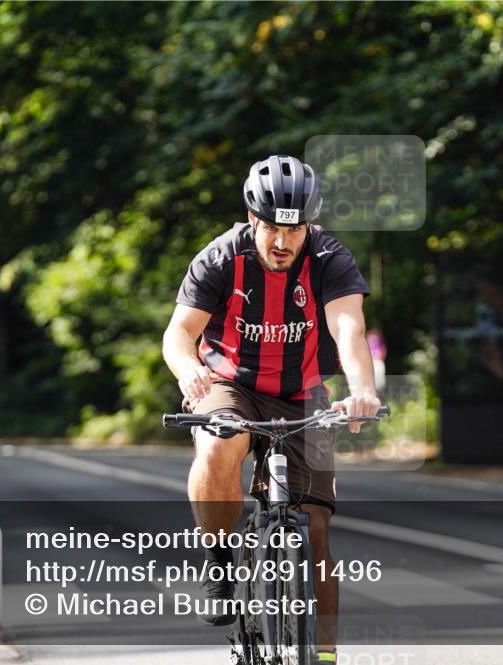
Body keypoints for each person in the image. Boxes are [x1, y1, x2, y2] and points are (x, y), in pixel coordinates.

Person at [162, 155, 380, 664]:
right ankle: (219, 561)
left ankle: (323, 657)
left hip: (302, 391)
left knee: (317, 533)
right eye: (272, 231)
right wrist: (187, 370)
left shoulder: (330, 258)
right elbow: (179, 334)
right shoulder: (219, 258)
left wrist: (362, 389)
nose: (282, 243)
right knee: (219, 443)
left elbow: (348, 328)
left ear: (308, 225)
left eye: (295, 231)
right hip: (230, 383)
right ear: (253, 221)